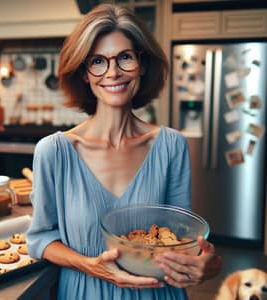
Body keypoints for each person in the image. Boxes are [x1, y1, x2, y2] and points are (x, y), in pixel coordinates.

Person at [27, 3, 222, 300]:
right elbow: (40, 239)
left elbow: (181, 241)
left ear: (142, 65)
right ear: (84, 72)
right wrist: (93, 267)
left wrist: (207, 264)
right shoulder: (54, 152)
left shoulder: (171, 146)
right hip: (84, 292)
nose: (113, 72)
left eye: (125, 58)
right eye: (97, 61)